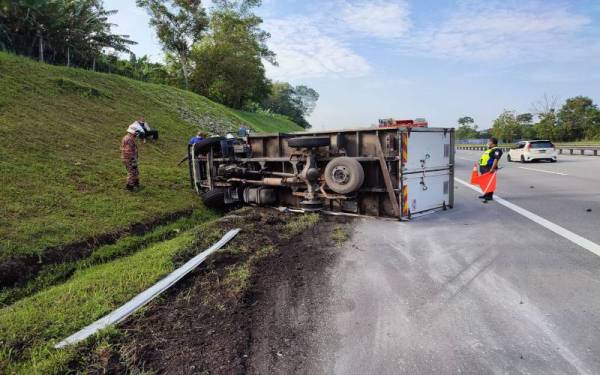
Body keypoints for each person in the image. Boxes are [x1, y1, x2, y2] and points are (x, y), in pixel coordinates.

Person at [121, 124, 144, 191]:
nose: (137, 135)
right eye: (137, 133)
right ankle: (130, 186)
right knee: (131, 172)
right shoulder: (128, 139)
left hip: (131, 158)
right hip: (129, 159)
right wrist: (133, 160)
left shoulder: (129, 138)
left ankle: (136, 183)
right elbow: (128, 151)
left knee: (135, 171)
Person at [478, 137, 502, 202]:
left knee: (490, 182)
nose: (488, 143)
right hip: (484, 168)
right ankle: (486, 194)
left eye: (489, 142)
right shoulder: (490, 149)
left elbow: (496, 159)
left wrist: (492, 168)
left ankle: (489, 196)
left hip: (489, 168)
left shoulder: (497, 150)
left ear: (493, 143)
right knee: (485, 182)